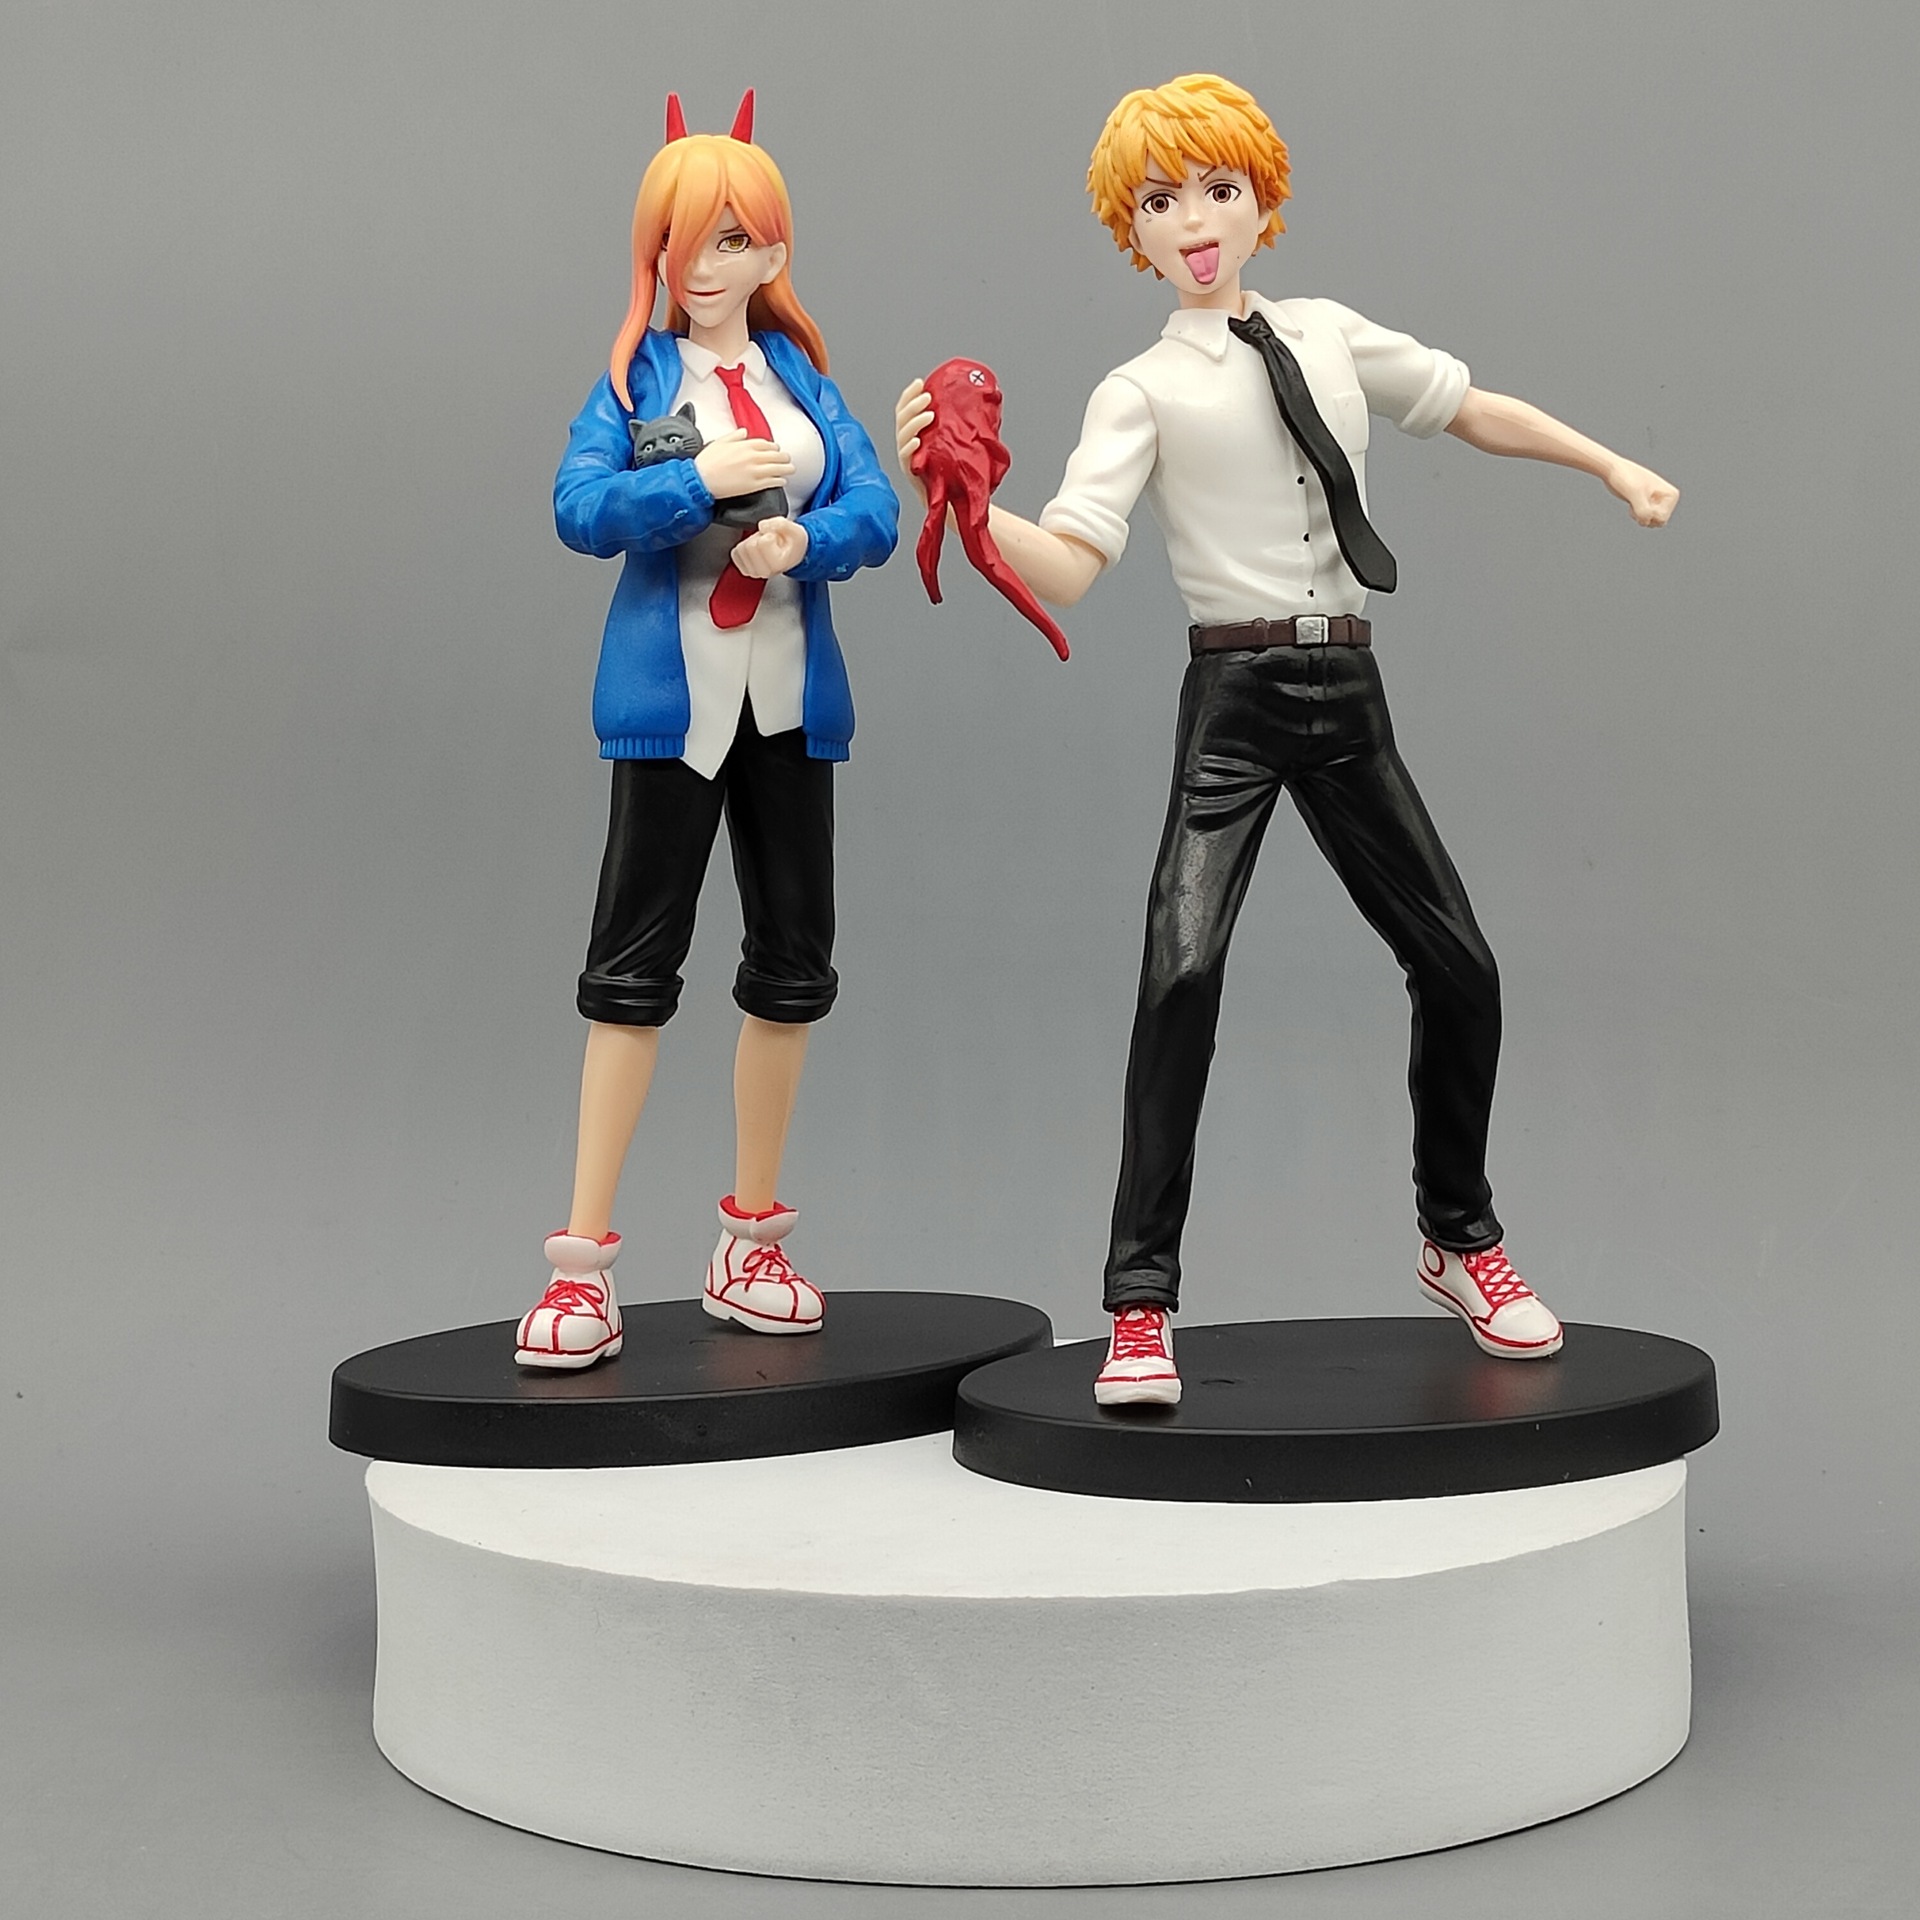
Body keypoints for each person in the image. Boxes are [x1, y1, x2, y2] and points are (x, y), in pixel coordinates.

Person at [895, 73, 1677, 1407]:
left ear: (1263, 199)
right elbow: (1071, 562)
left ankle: (1458, 1237)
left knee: (1461, 965)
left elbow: (1467, 404)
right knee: (1180, 976)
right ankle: (1141, 1304)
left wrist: (1607, 463)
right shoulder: (1141, 390)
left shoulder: (1328, 333)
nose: (1195, 221)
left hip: (1348, 689)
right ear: (1130, 230)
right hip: (1237, 698)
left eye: (1219, 189)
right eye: (1160, 202)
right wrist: (965, 504)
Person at [516, 91, 898, 1369]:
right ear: (657, 253)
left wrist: (804, 540)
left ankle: (752, 1240)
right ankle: (581, 1265)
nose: (712, 264)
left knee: (791, 969)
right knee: (630, 973)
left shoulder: (802, 382)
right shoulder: (633, 382)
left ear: (773, 249)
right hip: (671, 711)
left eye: (737, 240)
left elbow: (876, 511)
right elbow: (579, 509)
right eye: (689, 241)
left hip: (787, 706)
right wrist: (693, 483)